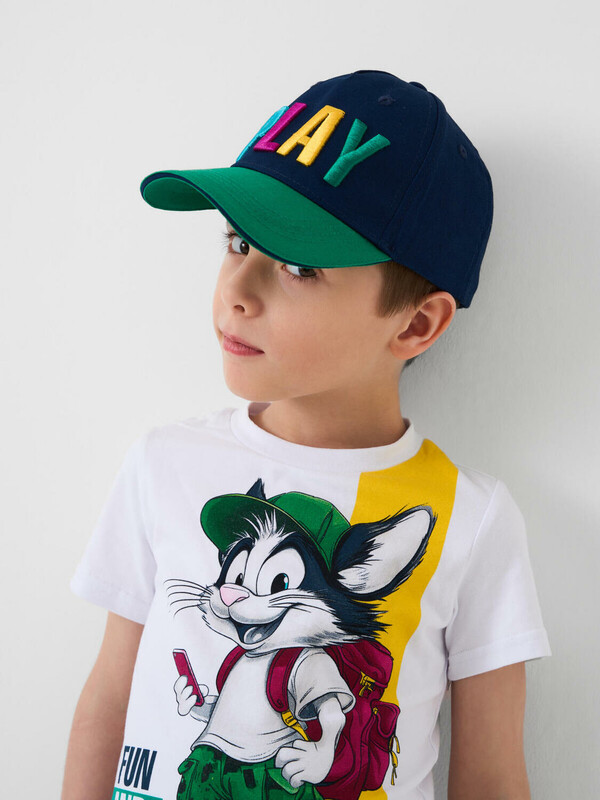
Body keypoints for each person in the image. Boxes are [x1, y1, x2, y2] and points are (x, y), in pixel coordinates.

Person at [61, 70, 551, 800]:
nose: (237, 291)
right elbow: (111, 696)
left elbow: (491, 776)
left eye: (297, 266)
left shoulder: (469, 519)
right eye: (237, 242)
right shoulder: (165, 465)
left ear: (416, 324)